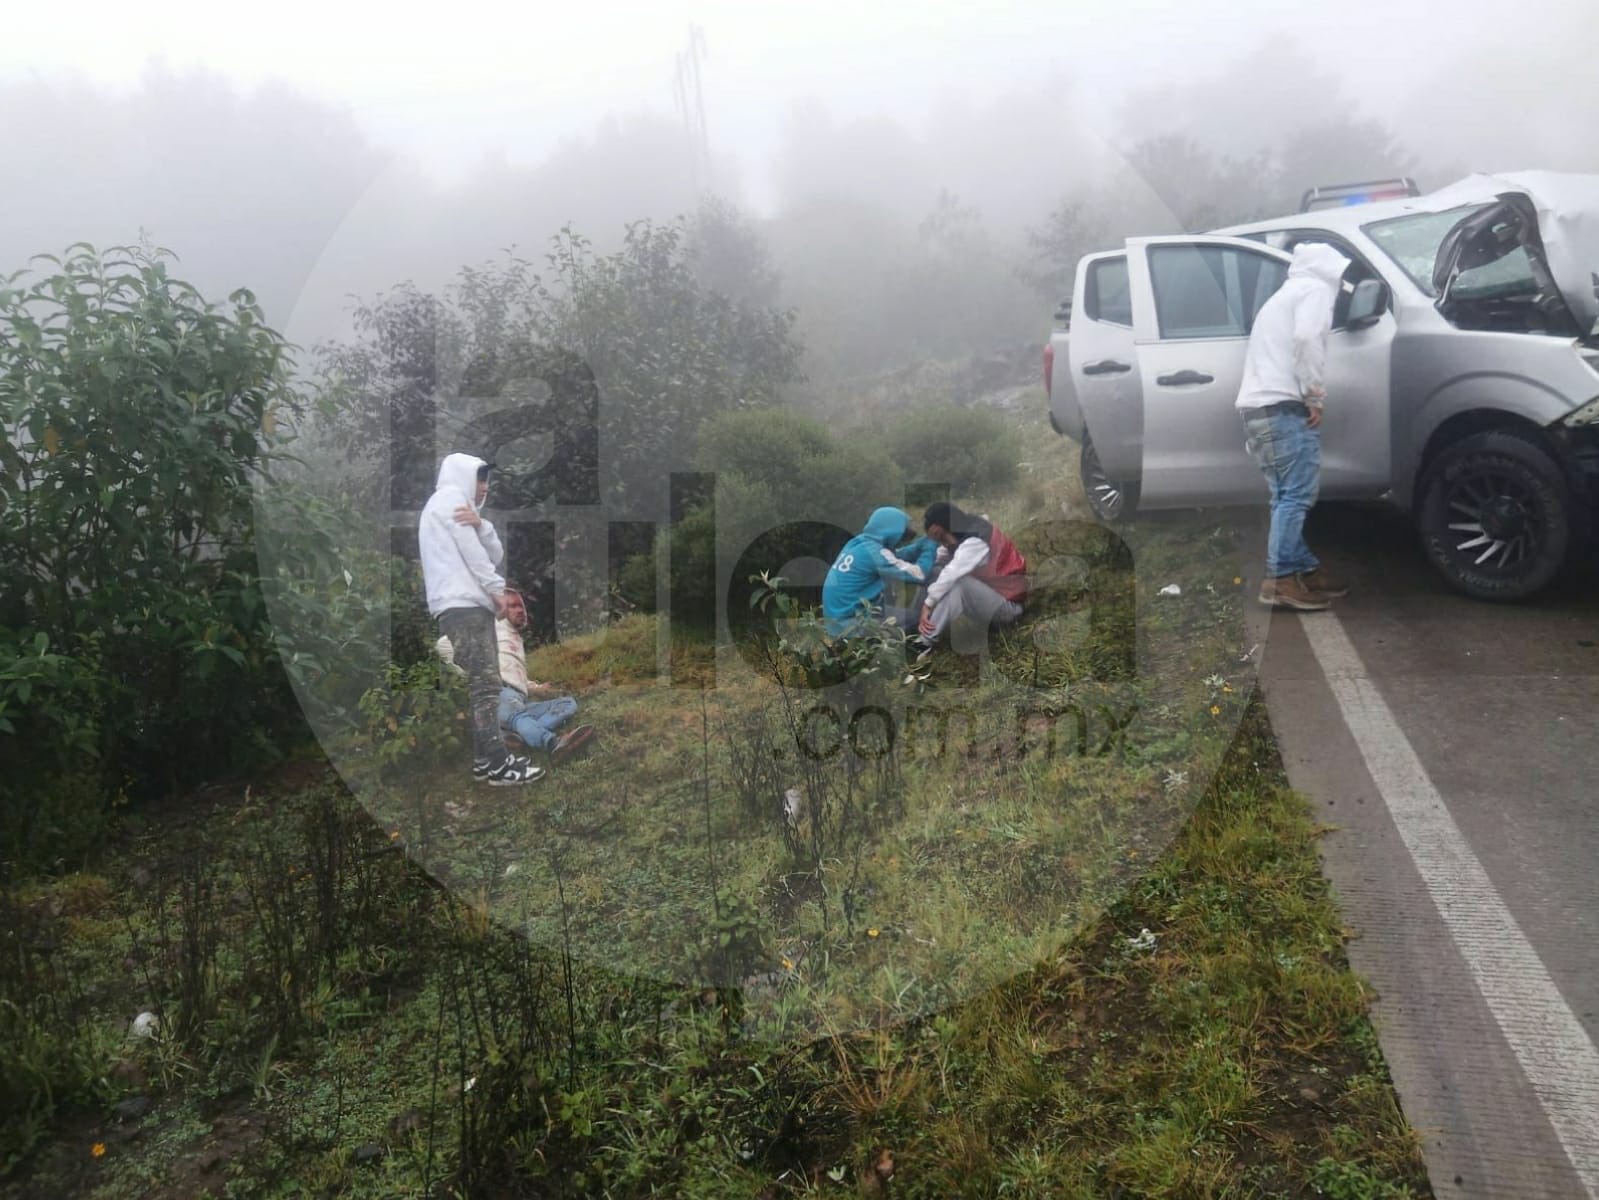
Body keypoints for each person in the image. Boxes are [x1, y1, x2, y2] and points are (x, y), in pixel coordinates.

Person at [1236, 241, 1353, 611]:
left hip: (1259, 411)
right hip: (1282, 409)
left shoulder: (1282, 297)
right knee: (1297, 496)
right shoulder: (1314, 290)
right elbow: (1306, 338)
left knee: (1285, 496)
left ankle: (1304, 568)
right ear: (1329, 269)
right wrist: (1314, 394)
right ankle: (1280, 580)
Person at [419, 452, 543, 786]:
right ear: (463, 477)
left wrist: (482, 526)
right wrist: (497, 590)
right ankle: (501, 767)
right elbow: (475, 556)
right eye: (481, 478)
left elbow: (494, 552)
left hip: (460, 606)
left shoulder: (451, 506)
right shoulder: (451, 501)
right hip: (465, 607)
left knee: (481, 685)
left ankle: (483, 762)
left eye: (487, 480)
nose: (485, 487)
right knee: (487, 686)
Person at [437, 587, 596, 765]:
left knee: (567, 703)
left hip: (517, 699)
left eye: (522, 606)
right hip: (497, 692)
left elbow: (515, 676)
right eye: (512, 606)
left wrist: (536, 687)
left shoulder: (514, 638)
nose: (521, 610)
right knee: (518, 716)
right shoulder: (490, 626)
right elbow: (442, 645)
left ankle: (514, 736)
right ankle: (552, 744)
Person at [914, 502, 1028, 652]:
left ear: (946, 527)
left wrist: (927, 605)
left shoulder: (975, 541)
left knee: (960, 583)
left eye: (941, 537)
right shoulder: (962, 531)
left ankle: (924, 642)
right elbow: (938, 558)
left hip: (1009, 610)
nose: (942, 543)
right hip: (991, 602)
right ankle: (917, 623)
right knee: (934, 571)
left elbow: (952, 572)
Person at [822, 507, 939, 637]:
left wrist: (920, 544)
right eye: (903, 529)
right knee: (915, 617)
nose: (908, 533)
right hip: (851, 626)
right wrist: (931, 544)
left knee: (896, 612)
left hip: (836, 623)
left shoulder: (859, 542)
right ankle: (895, 643)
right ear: (891, 531)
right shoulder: (876, 554)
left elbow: (895, 557)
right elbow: (919, 574)